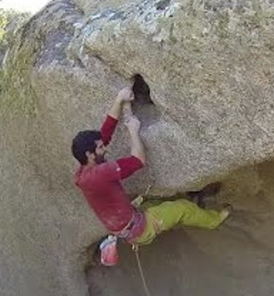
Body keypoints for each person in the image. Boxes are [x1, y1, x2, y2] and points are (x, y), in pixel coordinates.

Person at [72, 84, 231, 250]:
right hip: (140, 229)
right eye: (100, 148)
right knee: (182, 209)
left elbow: (105, 134)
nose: (105, 147)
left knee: (158, 201)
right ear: (90, 154)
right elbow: (138, 160)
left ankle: (188, 204)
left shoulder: (85, 170)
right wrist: (133, 130)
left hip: (129, 221)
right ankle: (214, 220)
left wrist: (119, 100)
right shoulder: (100, 174)